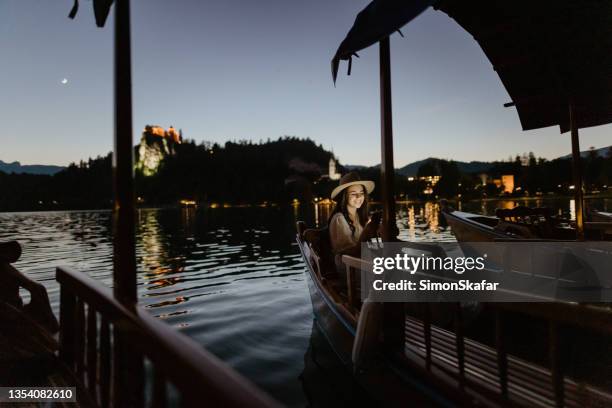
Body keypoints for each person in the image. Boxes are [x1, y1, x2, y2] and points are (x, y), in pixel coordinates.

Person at [328, 172, 380, 276]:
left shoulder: (360, 217)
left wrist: (377, 233)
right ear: (344, 196)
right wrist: (367, 232)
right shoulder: (339, 219)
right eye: (353, 194)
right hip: (348, 265)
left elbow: (371, 246)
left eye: (361, 193)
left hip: (363, 260)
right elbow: (351, 252)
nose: (359, 196)